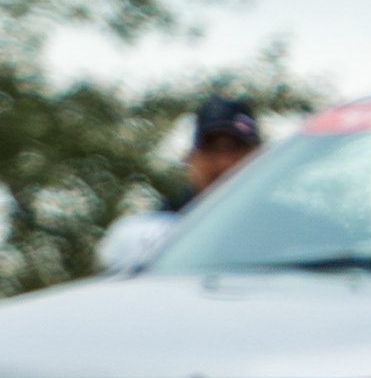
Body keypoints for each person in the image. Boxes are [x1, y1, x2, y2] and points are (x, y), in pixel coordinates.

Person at [98, 97, 265, 274]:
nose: (225, 162)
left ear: (262, 157)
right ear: (190, 159)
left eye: (236, 149)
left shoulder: (280, 227)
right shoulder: (162, 231)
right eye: (212, 149)